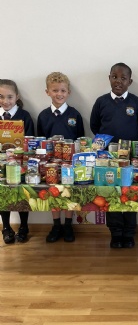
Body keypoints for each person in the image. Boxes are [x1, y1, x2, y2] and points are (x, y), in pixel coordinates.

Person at [90, 62, 138, 248]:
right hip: (107, 159)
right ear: (109, 78)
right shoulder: (101, 102)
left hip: (131, 160)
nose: (118, 81)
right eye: (115, 77)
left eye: (123, 78)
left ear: (130, 82)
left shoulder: (136, 102)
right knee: (111, 192)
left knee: (130, 193)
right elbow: (94, 126)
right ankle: (115, 233)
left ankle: (129, 233)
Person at [37, 72, 85, 243]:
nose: (59, 94)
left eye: (63, 91)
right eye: (55, 90)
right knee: (54, 192)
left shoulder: (75, 114)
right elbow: (40, 141)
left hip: (70, 164)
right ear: (47, 92)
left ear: (68, 92)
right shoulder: (43, 116)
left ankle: (68, 225)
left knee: (68, 192)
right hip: (50, 164)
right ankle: (56, 225)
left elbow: (80, 139)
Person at [0, 79, 35, 244]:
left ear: (17, 97)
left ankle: (24, 226)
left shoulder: (24, 116)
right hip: (1, 163)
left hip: (20, 162)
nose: (5, 101)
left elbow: (31, 140)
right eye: (1, 97)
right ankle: (6, 227)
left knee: (22, 192)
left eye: (9, 97)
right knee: (3, 193)